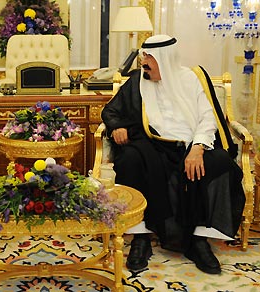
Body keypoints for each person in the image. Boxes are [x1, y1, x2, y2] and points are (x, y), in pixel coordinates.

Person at [101, 35, 245, 275]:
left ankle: (199, 239)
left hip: (189, 146)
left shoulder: (190, 79)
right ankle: (141, 235)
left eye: (149, 58)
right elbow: (111, 110)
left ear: (165, 59)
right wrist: (116, 126)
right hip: (151, 145)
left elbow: (207, 118)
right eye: (143, 56)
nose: (143, 62)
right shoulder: (137, 81)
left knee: (221, 163)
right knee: (129, 159)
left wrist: (198, 148)